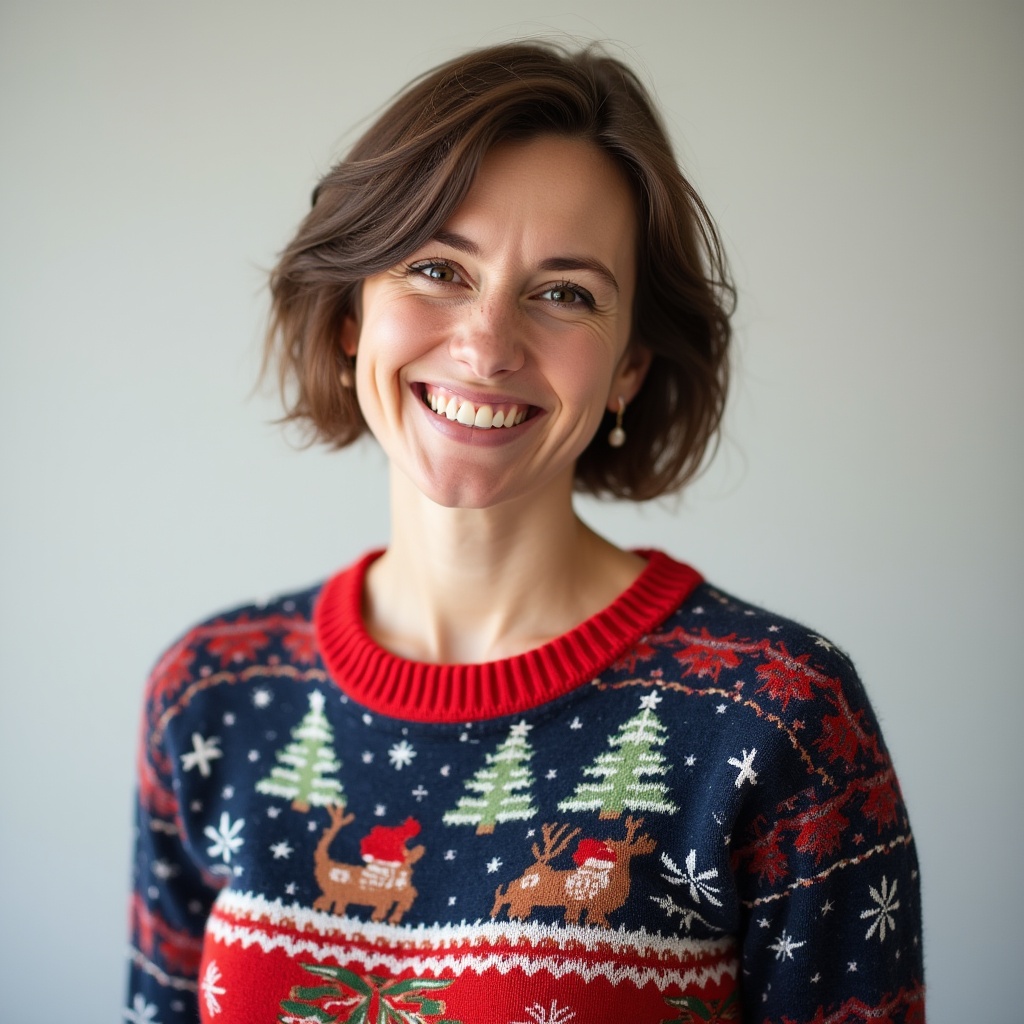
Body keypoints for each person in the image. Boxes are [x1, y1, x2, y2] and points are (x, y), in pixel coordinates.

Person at [126, 41, 924, 1024]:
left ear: (629, 366)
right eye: (435, 268)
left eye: (562, 293)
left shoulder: (780, 715)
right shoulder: (209, 694)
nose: (486, 344)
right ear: (350, 316)